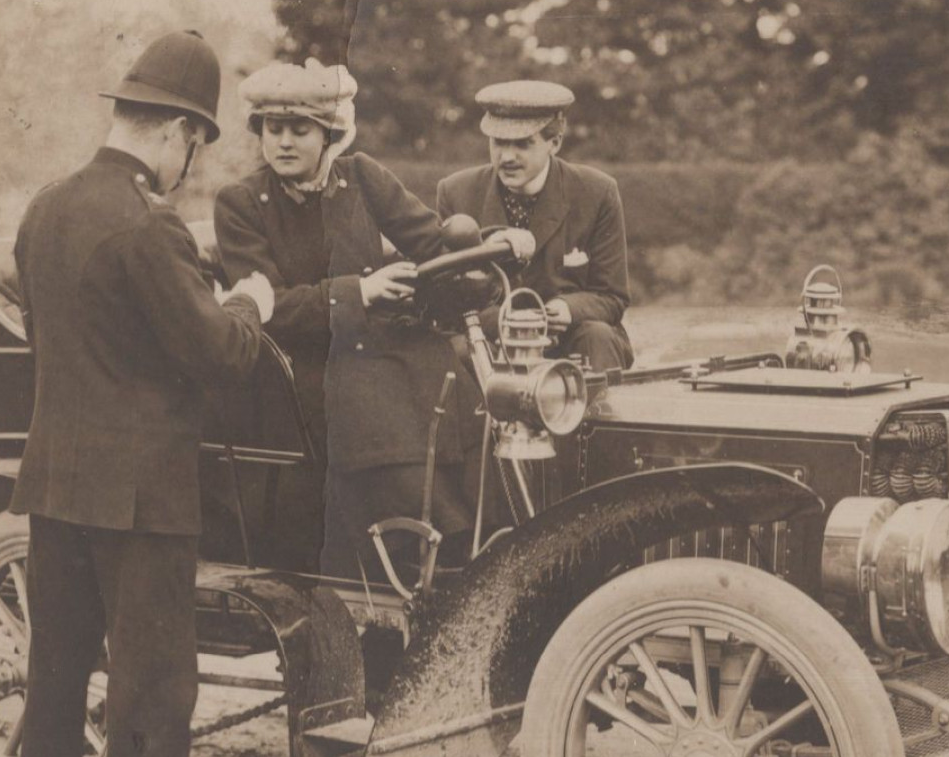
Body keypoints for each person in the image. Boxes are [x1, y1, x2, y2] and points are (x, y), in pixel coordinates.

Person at [7, 30, 276, 757]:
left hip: (55, 479)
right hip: (142, 494)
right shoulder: (147, 222)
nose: (188, 168)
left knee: (58, 665)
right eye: (193, 150)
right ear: (178, 133)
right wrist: (250, 300)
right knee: (153, 682)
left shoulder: (45, 206)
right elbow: (215, 354)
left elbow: (54, 341)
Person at [213, 60, 530, 582]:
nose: (285, 142)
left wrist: (489, 247)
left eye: (300, 130)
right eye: (274, 129)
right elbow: (265, 306)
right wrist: (359, 292)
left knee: (466, 390)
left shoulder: (361, 176)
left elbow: (432, 240)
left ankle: (483, 548)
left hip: (384, 348)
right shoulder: (241, 203)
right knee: (383, 405)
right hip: (307, 364)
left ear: (329, 134)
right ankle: (417, 552)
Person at [437, 80, 635, 372]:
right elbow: (445, 299)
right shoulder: (456, 192)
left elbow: (612, 296)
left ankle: (596, 418)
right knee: (453, 351)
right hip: (490, 339)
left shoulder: (597, 192)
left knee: (598, 336)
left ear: (554, 142)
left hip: (571, 339)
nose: (507, 157)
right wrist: (508, 321)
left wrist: (567, 310)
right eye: (498, 142)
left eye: (522, 144)